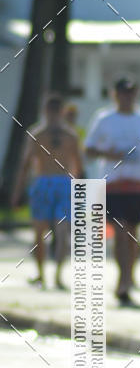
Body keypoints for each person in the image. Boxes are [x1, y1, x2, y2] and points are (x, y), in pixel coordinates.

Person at [84, 75, 140, 306]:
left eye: (131, 93)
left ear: (136, 94)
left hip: (137, 184)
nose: (127, 97)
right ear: (114, 94)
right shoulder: (104, 118)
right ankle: (122, 279)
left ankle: (129, 276)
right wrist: (111, 154)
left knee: (132, 234)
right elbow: (89, 150)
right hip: (113, 184)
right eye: (122, 93)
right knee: (119, 232)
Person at [10, 93, 82, 289]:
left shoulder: (71, 136)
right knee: (39, 232)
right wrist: (18, 192)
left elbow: (78, 166)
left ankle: (58, 275)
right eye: (50, 111)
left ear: (61, 112)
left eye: (56, 111)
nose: (53, 115)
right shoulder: (37, 134)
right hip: (43, 183)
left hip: (64, 183)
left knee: (63, 232)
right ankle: (41, 274)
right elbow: (26, 165)